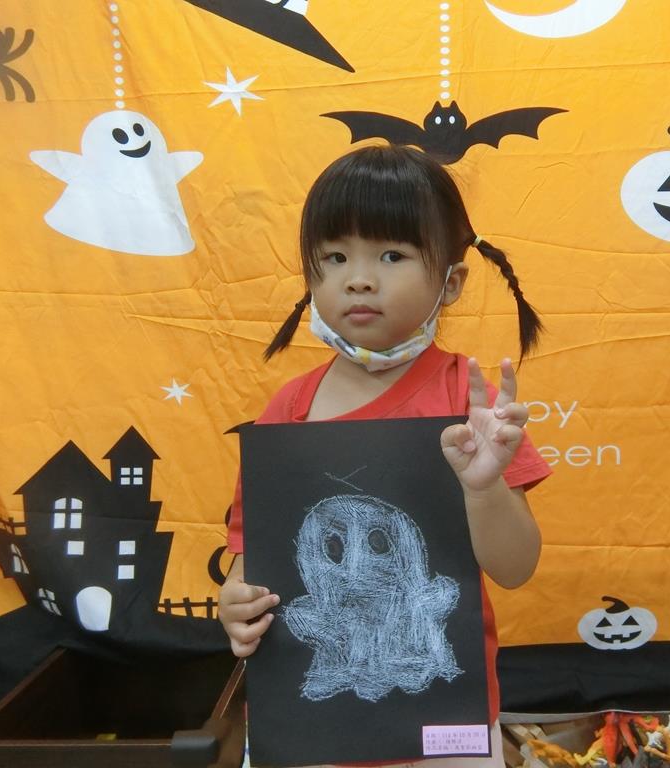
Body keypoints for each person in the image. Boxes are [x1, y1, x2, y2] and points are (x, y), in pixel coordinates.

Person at [218, 144, 551, 767]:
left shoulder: (469, 403)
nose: (359, 278)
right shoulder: (289, 409)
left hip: (443, 729)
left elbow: (515, 567)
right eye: (335, 257)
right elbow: (251, 562)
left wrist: (483, 489)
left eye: (391, 255)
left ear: (451, 282)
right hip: (308, 729)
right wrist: (234, 604)